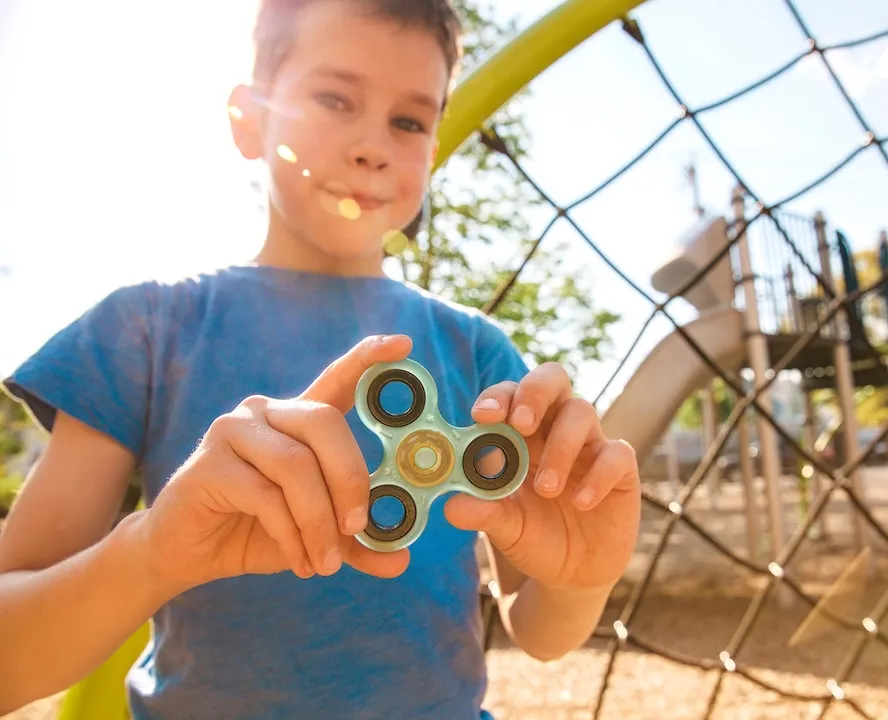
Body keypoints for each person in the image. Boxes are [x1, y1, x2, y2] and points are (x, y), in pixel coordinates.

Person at [0, 1, 641, 717]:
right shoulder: (146, 330)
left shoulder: (478, 352)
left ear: (432, 148)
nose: (373, 145)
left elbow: (539, 628)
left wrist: (584, 582)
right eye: (335, 99)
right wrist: (152, 552)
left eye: (409, 121)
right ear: (249, 119)